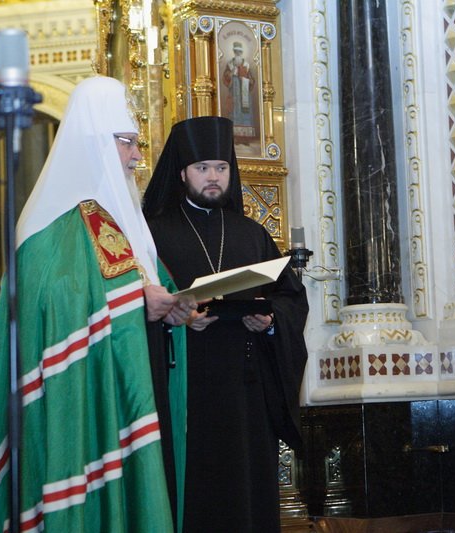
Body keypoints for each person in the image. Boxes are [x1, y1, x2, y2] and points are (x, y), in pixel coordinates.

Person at [0, 76, 192, 532]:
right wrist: (139, 300)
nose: (137, 156)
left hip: (133, 383)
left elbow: (146, 285)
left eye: (137, 143)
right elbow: (58, 306)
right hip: (82, 401)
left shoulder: (122, 219)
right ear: (96, 142)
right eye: (127, 142)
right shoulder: (53, 226)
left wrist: (174, 308)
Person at [143, 116, 309, 532]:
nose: (213, 177)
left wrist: (269, 321)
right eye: (202, 168)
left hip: (245, 395)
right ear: (183, 173)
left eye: (221, 168)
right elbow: (134, 304)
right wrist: (177, 318)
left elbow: (290, 298)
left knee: (245, 497)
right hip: (185, 390)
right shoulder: (152, 234)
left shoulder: (252, 234)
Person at [223, 41, 257, 139]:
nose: (237, 53)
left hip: (244, 93)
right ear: (234, 51)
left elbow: (252, 79)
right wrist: (231, 74)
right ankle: (234, 137)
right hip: (234, 93)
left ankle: (245, 137)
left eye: (239, 51)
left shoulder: (246, 65)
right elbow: (225, 77)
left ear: (241, 52)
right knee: (234, 112)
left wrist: (248, 80)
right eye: (236, 51)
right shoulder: (230, 64)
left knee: (245, 113)